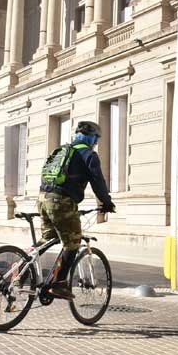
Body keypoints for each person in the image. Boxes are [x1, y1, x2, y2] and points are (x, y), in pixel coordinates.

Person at [37, 120, 115, 300]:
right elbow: (98, 182)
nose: (96, 142)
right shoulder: (89, 154)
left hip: (42, 199)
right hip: (61, 203)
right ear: (92, 138)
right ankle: (59, 284)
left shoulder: (62, 151)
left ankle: (21, 268)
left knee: (47, 239)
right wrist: (107, 203)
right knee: (73, 242)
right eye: (96, 138)